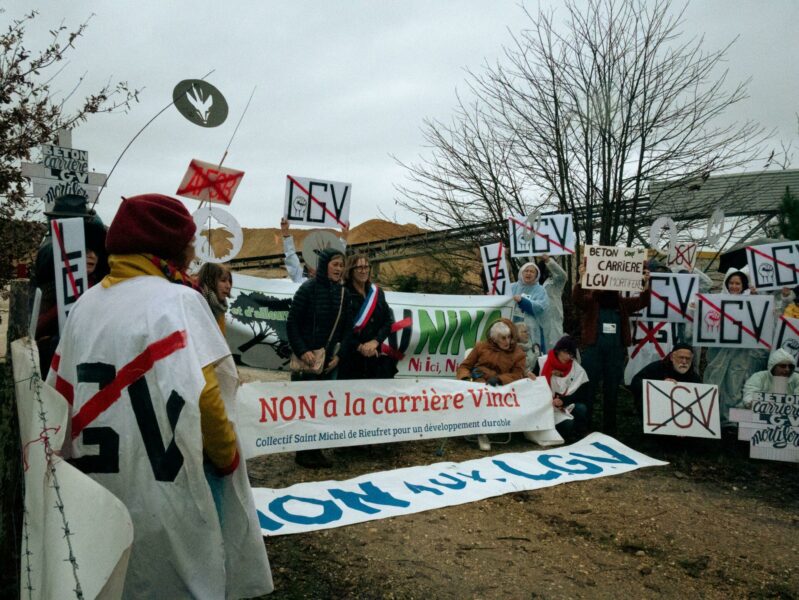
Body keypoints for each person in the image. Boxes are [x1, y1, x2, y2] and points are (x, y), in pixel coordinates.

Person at [46, 194, 272, 598]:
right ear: (167, 246)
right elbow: (207, 398)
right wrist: (226, 457)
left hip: (97, 492)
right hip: (168, 490)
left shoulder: (84, 306)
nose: (192, 251)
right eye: (189, 241)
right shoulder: (180, 302)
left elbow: (57, 398)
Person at [287, 247, 353, 468]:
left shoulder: (343, 294)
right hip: (307, 360)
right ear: (325, 266)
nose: (339, 269)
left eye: (342, 265)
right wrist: (302, 349)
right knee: (305, 405)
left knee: (321, 406)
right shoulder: (307, 289)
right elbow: (292, 323)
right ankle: (303, 452)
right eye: (335, 264)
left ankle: (315, 450)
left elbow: (347, 329)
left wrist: (340, 357)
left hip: (328, 360)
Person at [31, 194, 109, 376]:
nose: (90, 256)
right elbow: (40, 321)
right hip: (53, 350)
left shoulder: (95, 272)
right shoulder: (50, 249)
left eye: (93, 251)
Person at [574, 262, 651, 434]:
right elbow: (577, 298)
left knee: (612, 390)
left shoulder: (622, 303)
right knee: (589, 388)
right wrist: (581, 278)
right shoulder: (591, 301)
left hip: (615, 353)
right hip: (593, 350)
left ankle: (610, 429)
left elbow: (642, 301)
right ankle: (584, 426)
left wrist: (645, 283)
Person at [703, 267, 768, 426]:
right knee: (714, 379)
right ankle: (709, 416)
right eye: (731, 283)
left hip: (741, 352)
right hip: (718, 350)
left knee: (735, 383)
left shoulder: (753, 301)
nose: (734, 286)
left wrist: (756, 299)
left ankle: (730, 420)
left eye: (737, 283)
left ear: (743, 285)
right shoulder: (716, 301)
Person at [456, 318, 527, 450]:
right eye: (503, 338)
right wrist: (466, 379)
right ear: (494, 339)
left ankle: (484, 430)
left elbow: (518, 375)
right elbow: (464, 367)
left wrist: (500, 379)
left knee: (486, 395)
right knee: (479, 394)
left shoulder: (518, 354)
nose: (507, 341)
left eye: (509, 337)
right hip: (478, 383)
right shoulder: (481, 347)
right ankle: (481, 432)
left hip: (502, 387)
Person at [340, 253, 397, 379]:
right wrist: (360, 347)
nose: (363, 270)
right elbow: (342, 327)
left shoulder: (377, 292)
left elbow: (388, 321)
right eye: (359, 267)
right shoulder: (343, 293)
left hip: (375, 355)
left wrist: (375, 341)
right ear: (351, 270)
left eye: (366, 267)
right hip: (351, 357)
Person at [538, 335, 589, 443]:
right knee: (567, 426)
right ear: (559, 350)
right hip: (544, 405)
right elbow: (533, 385)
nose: (568, 357)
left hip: (564, 405)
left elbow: (582, 393)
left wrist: (564, 401)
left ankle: (577, 435)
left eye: (571, 354)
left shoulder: (577, 369)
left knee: (581, 409)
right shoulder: (542, 362)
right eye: (566, 352)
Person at [629, 342, 701, 411]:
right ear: (672, 357)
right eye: (681, 358)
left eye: (688, 358)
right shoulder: (656, 368)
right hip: (655, 411)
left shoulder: (695, 378)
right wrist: (660, 385)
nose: (684, 361)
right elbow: (635, 383)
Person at [280, 216, 348, 283]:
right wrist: (285, 233)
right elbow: (290, 256)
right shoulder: (299, 277)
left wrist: (344, 236)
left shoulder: (327, 281)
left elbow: (337, 256)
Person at [511, 261, 550, 357]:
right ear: (521, 273)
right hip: (513, 326)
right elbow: (501, 299)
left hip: (532, 329)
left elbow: (540, 307)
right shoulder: (512, 287)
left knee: (533, 354)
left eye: (532, 272)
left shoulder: (540, 290)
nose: (528, 273)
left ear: (537, 275)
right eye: (526, 271)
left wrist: (522, 301)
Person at [537, 254, 568, 349]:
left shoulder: (556, 281)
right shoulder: (534, 283)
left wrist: (548, 260)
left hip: (553, 320)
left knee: (554, 349)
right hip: (537, 320)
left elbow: (562, 275)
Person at [198, 262, 233, 333]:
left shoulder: (220, 308)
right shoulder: (196, 304)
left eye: (229, 281)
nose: (228, 286)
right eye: (223, 280)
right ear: (209, 281)